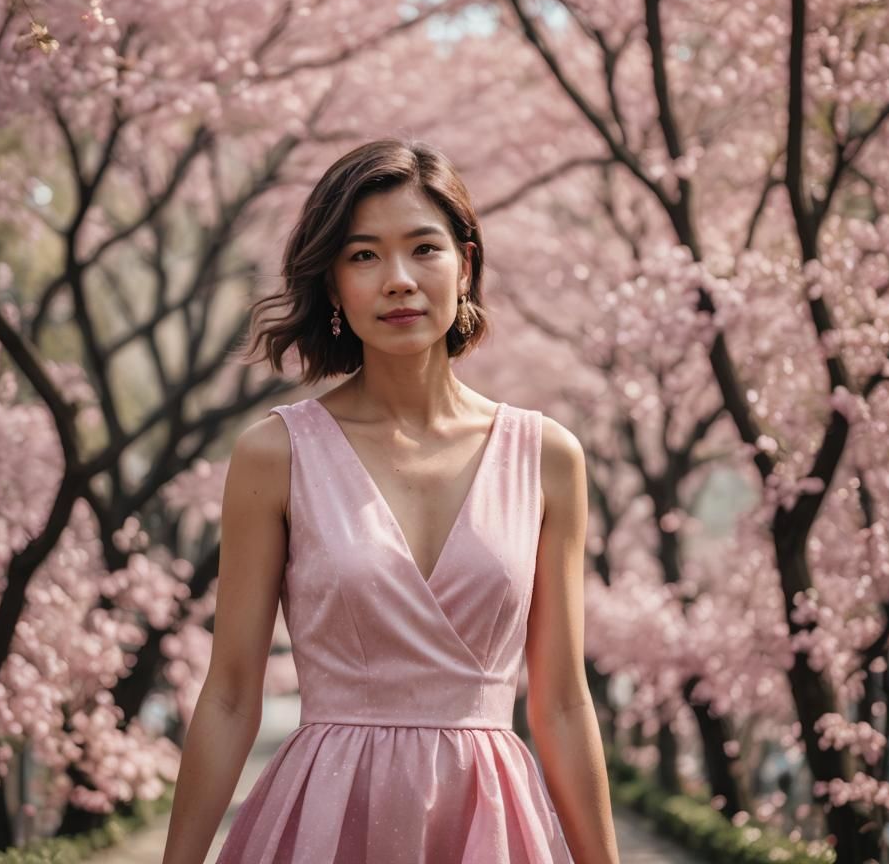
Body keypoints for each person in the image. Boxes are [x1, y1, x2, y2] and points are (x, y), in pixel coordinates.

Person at [161, 138, 621, 864]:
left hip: (487, 823)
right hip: (326, 819)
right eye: (364, 256)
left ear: (465, 265)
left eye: (424, 249)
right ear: (333, 284)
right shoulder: (275, 454)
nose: (398, 280)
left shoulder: (548, 457)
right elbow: (230, 693)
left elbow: (562, 701)